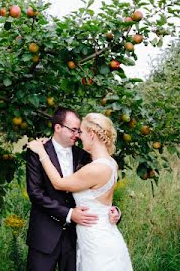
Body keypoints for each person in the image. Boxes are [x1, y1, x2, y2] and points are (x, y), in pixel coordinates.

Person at [26, 112, 133, 271]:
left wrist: (114, 211)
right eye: (74, 130)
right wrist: (69, 214)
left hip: (77, 239)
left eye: (79, 131)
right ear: (58, 128)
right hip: (45, 235)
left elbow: (98, 191)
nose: (77, 135)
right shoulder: (37, 150)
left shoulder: (86, 157)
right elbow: (35, 193)